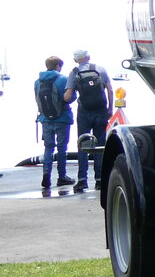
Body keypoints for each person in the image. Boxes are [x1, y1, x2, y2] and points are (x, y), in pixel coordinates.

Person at [64, 49, 114, 192]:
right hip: (101, 110)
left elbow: (68, 96)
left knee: (83, 144)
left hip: (84, 112)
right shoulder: (100, 69)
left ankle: (82, 180)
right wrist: (110, 108)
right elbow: (110, 90)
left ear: (75, 60)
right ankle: (99, 179)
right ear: (89, 57)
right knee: (100, 144)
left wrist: (63, 99)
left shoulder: (74, 72)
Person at [34, 55, 74, 193]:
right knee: (62, 148)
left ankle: (46, 175)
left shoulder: (37, 81)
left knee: (48, 148)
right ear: (58, 66)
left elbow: (37, 99)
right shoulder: (63, 79)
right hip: (62, 118)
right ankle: (62, 176)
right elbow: (70, 97)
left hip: (45, 119)